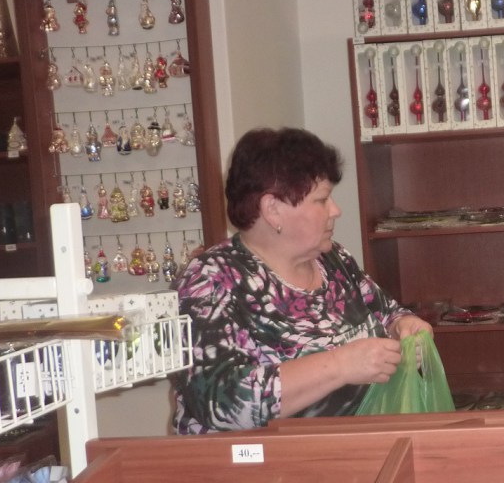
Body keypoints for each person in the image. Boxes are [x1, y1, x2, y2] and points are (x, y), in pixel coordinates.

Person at [173, 126, 431, 432]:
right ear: (272, 210)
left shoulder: (333, 260)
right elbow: (219, 402)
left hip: (351, 452)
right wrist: (341, 365)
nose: (335, 210)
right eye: (322, 200)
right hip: (259, 461)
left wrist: (405, 326)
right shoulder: (209, 279)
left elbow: (388, 313)